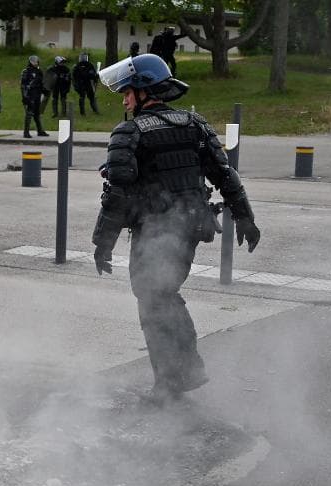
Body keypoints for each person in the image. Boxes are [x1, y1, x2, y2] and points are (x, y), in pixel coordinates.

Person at [92, 53, 261, 404]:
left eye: (126, 92)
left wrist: (103, 242)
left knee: (153, 298)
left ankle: (173, 381)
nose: (123, 100)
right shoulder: (194, 123)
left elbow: (117, 194)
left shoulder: (129, 132)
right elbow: (225, 175)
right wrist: (245, 216)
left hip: (155, 230)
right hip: (189, 227)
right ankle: (181, 374)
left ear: (143, 90)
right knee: (163, 294)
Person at [20, 55, 49, 138]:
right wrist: (25, 97)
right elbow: (23, 86)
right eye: (33, 61)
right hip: (30, 95)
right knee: (29, 113)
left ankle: (40, 131)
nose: (35, 63)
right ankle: (26, 132)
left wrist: (44, 90)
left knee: (37, 113)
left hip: (37, 94)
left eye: (36, 61)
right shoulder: (26, 71)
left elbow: (41, 83)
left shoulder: (39, 71)